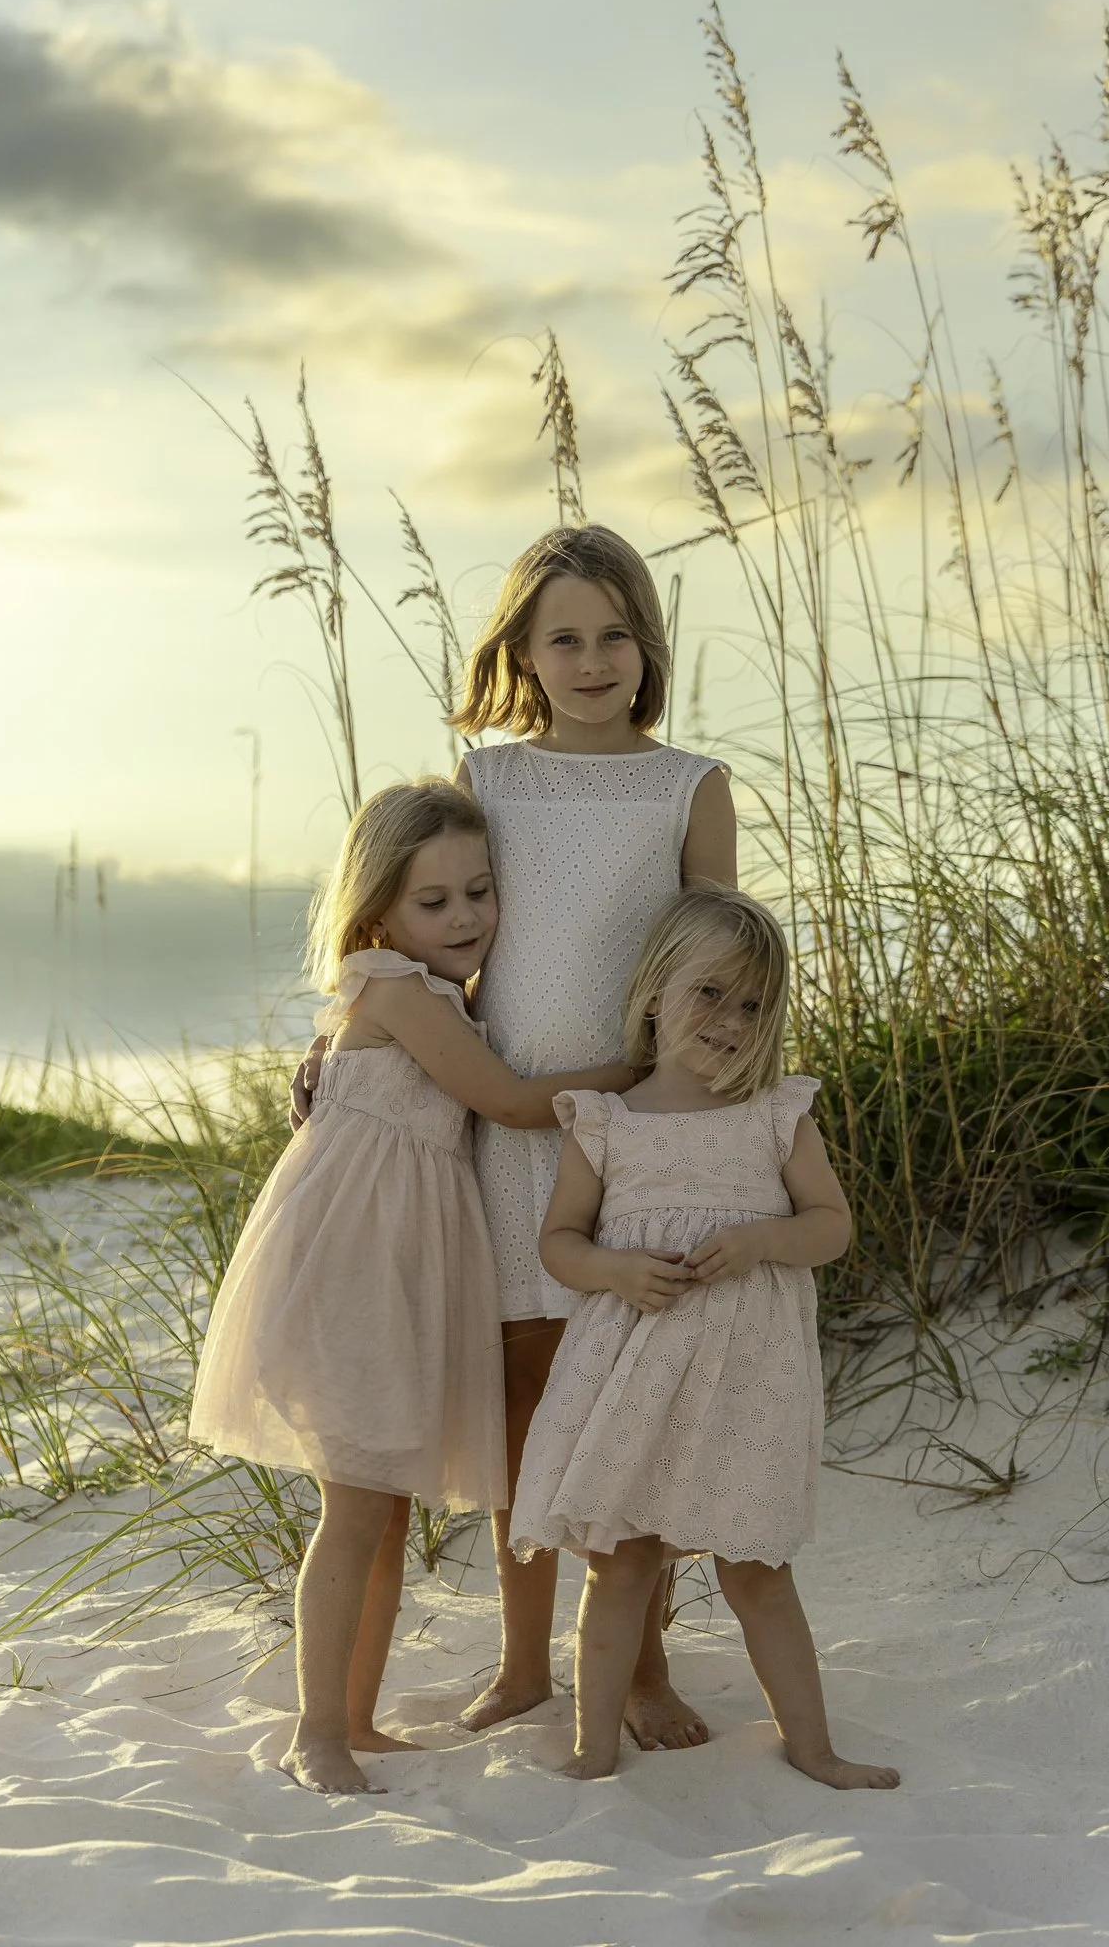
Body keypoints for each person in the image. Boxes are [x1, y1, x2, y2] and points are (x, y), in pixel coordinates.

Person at [191, 780, 635, 1795]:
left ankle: (354, 1714)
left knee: (381, 1506)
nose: (468, 917)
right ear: (379, 911)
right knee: (355, 1508)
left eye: (481, 890)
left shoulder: (428, 995)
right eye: (435, 902)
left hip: (400, 1269)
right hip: (356, 1271)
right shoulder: (398, 992)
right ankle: (319, 1731)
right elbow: (516, 1102)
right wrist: (642, 1071)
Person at [510, 888, 901, 1789]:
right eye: (711, 993)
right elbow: (559, 1244)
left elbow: (831, 1227)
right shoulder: (605, 1121)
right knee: (624, 1563)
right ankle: (591, 1749)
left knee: (757, 1566)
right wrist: (613, 1269)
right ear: (655, 992)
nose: (730, 1020)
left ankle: (813, 1748)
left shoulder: (773, 1114)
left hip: (747, 1377)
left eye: (754, 1003)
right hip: (637, 1366)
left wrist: (765, 1240)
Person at [450, 522, 736, 1747]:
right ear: (522, 648)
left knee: (629, 1396)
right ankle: (524, 1660)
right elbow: (427, 933)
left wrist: (699, 1107)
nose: (592, 658)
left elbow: (724, 959)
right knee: (524, 1391)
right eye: (563, 636)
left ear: (647, 642)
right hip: (507, 1121)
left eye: (615, 632)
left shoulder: (689, 783)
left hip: (635, 1129)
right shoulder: (486, 782)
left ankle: (643, 1660)